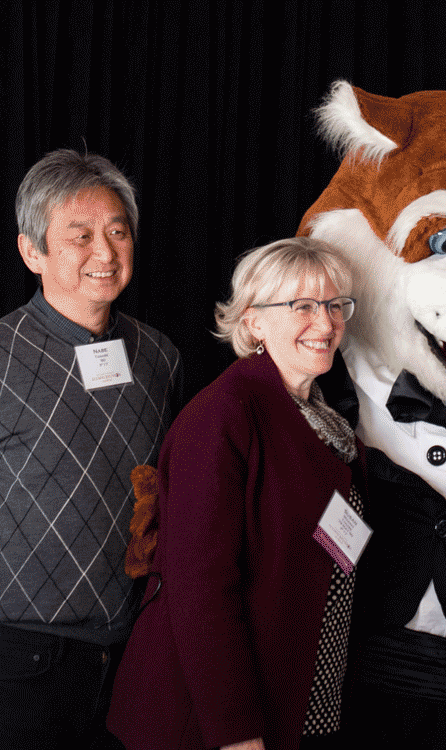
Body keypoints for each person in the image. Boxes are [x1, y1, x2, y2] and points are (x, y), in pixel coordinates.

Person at [0, 149, 182, 750]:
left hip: (125, 652)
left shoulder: (159, 357)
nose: (105, 253)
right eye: (79, 236)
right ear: (33, 252)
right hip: (14, 661)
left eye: (117, 232)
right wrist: (0, 599)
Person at [106, 237, 368, 750]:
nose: (327, 322)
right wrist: (236, 734)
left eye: (336, 305)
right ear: (252, 322)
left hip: (297, 699)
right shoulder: (223, 413)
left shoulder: (325, 419)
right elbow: (200, 588)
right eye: (304, 306)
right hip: (207, 720)